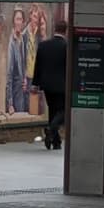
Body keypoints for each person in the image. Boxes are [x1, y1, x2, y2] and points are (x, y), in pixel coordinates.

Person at [32, 18, 68, 151]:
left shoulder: (43, 45)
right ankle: (51, 129)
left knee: (53, 110)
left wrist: (35, 83)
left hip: (46, 85)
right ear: (66, 31)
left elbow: (38, 65)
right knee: (64, 111)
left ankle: (55, 142)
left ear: (55, 29)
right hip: (62, 85)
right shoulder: (66, 47)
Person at [6, 8, 27, 115]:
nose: (19, 22)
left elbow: (23, 63)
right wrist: (10, 103)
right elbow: (9, 74)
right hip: (14, 91)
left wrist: (24, 79)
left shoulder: (22, 39)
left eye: (21, 20)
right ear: (13, 21)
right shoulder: (11, 43)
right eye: (17, 19)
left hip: (21, 90)